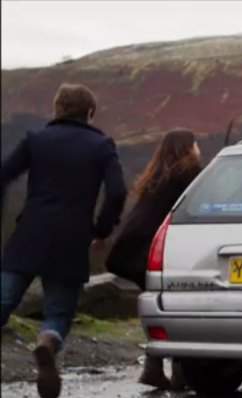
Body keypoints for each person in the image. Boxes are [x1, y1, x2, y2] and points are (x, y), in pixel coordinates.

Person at [0, 83, 127, 398]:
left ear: (56, 109)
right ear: (90, 112)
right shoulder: (101, 146)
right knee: (58, 312)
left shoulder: (36, 140)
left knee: (3, 299)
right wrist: (101, 230)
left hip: (29, 234)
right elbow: (117, 192)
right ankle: (47, 341)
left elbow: (3, 175)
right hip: (71, 241)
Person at [105, 128, 202, 389]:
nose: (198, 149)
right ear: (188, 148)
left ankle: (156, 368)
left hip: (128, 252)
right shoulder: (188, 173)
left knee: (165, 308)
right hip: (148, 252)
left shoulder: (158, 175)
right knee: (177, 308)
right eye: (196, 144)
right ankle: (178, 373)